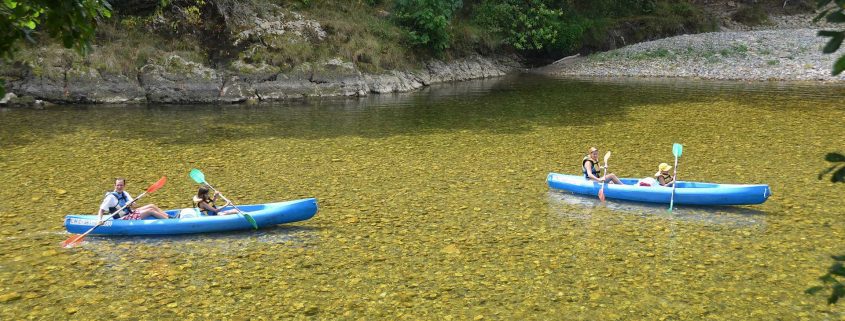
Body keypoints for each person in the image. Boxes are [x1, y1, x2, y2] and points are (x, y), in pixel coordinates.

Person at [97, 178, 169, 223]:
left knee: (151, 206)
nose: (119, 187)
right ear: (114, 185)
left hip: (130, 213)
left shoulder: (125, 193)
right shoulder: (110, 197)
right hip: (122, 219)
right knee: (150, 211)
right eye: (118, 185)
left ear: (124, 186)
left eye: (121, 185)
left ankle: (169, 217)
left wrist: (130, 204)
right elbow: (101, 210)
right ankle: (170, 222)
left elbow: (135, 206)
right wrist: (100, 220)